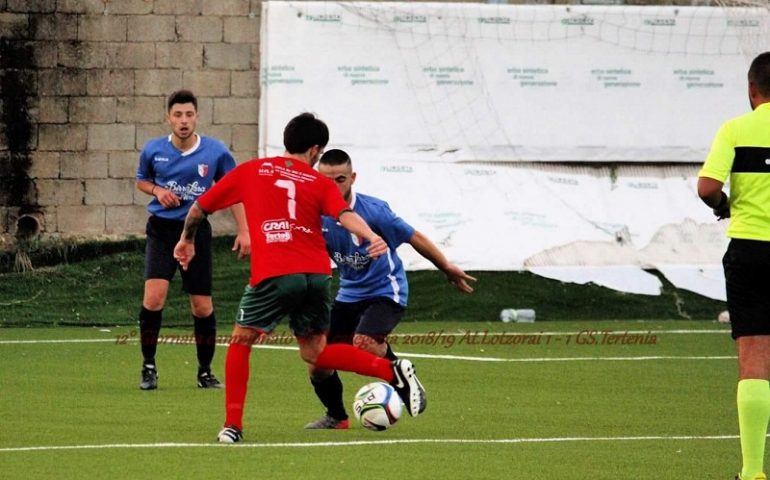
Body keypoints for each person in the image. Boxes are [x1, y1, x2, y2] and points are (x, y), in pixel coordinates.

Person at [173, 112, 427, 443]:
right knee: (315, 353)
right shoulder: (318, 182)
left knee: (240, 342)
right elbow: (345, 214)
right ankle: (389, 370)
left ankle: (232, 425)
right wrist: (370, 236)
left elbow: (199, 209)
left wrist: (186, 239)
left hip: (275, 272)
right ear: (314, 150)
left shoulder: (252, 170)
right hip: (317, 276)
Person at [304, 149, 476, 429]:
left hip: (386, 290)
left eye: (340, 179)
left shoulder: (374, 211)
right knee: (318, 363)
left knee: (365, 342)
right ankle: (336, 417)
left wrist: (446, 267)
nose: (333, 186)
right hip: (349, 294)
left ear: (353, 178)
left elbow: (414, 236)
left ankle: (400, 375)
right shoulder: (316, 216)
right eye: (325, 180)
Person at [135, 89, 250, 391]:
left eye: (189, 115)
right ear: (168, 118)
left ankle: (205, 372)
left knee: (201, 306)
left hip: (197, 231)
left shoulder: (215, 152)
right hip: (161, 230)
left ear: (197, 116)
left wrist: (244, 230)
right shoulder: (152, 150)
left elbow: (234, 190)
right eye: (177, 115)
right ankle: (148, 367)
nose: (183, 121)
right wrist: (158, 191)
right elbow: (142, 180)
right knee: (154, 298)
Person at [698, 52, 770, 480]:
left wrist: (724, 206)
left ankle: (753, 471)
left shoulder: (736, 129)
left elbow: (707, 187)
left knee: (755, 360)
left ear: (751, 89)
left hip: (749, 252)